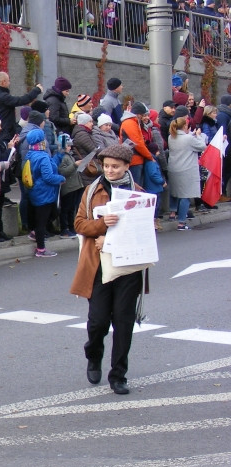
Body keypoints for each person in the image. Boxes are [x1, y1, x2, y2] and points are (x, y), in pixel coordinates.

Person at [70, 144, 148, 395]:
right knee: (98, 322)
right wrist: (102, 225)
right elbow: (80, 224)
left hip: (127, 266)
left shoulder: (138, 193)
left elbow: (144, 232)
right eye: (107, 166)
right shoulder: (92, 191)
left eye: (116, 166)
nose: (110, 170)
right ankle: (93, 355)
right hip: (99, 267)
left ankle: (118, 374)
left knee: (124, 323)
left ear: (127, 166)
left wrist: (114, 241)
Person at [25, 127, 66, 257]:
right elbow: (48, 176)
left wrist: (59, 155)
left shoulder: (31, 154)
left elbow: (51, 164)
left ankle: (36, 233)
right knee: (44, 220)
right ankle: (41, 249)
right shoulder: (42, 157)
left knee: (48, 215)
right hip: (44, 193)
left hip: (36, 191)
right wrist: (61, 178)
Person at [167, 117, 207, 230]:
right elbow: (202, 146)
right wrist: (198, 135)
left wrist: (190, 135)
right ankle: (181, 222)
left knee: (174, 192)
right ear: (185, 126)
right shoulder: (189, 138)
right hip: (186, 170)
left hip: (174, 168)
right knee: (185, 195)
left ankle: (172, 213)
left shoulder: (171, 137)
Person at [0, 71, 43, 142]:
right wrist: (36, 90)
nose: (9, 83)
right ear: (3, 82)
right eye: (8, 81)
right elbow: (21, 100)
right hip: (4, 134)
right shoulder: (2, 96)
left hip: (0, 132)